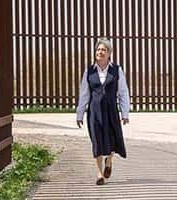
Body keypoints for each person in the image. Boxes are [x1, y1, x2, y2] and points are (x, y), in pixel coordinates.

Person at [76, 38, 130, 185]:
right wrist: (80, 113)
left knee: (114, 139)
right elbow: (84, 94)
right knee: (97, 142)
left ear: (109, 53)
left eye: (103, 50)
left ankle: (109, 160)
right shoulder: (89, 71)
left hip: (111, 111)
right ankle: (99, 174)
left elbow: (123, 92)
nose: (100, 52)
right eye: (98, 49)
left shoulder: (117, 70)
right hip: (94, 112)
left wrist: (125, 113)